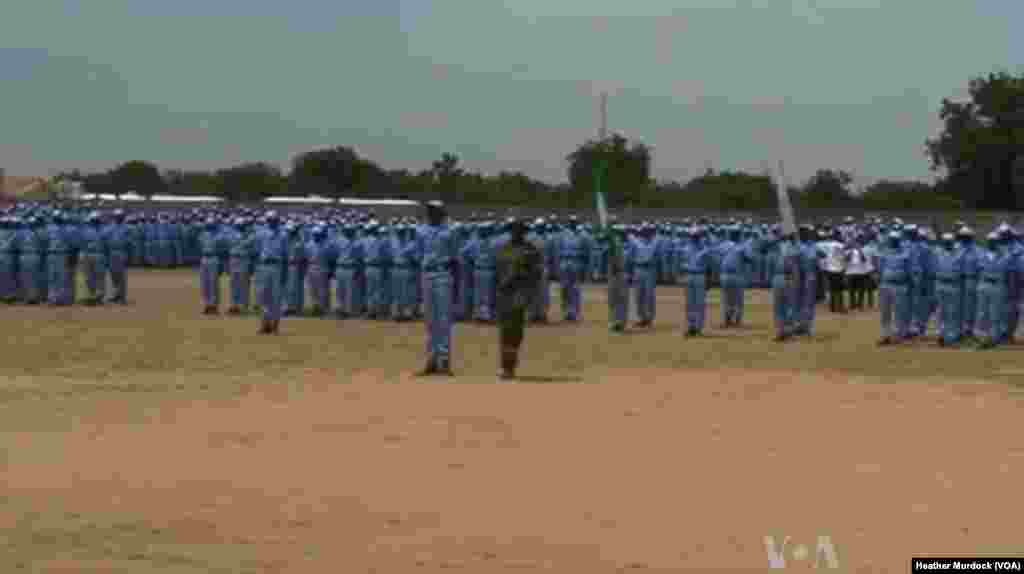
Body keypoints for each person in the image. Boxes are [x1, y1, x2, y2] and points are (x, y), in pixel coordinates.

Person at [494, 217, 543, 380]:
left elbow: (536, 273)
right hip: (504, 292)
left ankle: (510, 365)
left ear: (523, 232)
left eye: (519, 230)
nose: (515, 232)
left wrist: (521, 278)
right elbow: (498, 269)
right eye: (513, 229)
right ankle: (504, 365)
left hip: (519, 292)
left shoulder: (530, 250)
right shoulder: (504, 248)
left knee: (515, 329)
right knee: (504, 329)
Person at [417, 201, 457, 376]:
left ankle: (444, 360)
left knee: (444, 319)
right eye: (429, 211)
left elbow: (455, 256)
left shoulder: (450, 232)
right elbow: (419, 252)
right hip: (427, 274)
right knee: (430, 320)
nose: (430, 213)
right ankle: (431, 360)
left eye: (434, 211)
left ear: (441, 212)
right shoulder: (421, 231)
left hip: (443, 274)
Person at [256, 212, 288, 334]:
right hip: (264, 266)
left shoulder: (283, 234)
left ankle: (275, 325)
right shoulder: (261, 233)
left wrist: (284, 272)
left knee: (276, 296)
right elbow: (258, 250)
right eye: (270, 220)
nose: (272, 222)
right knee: (264, 296)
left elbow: (285, 255)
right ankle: (265, 324)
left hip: (277, 266)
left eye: (274, 220)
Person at [933, 232, 965, 347]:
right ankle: (941, 334)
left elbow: (962, 272)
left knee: (953, 312)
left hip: (954, 285)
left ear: (952, 243)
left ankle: (951, 337)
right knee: (941, 311)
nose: (947, 244)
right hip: (940, 284)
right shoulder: (937, 254)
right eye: (945, 242)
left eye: (949, 242)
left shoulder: (959, 255)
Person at [820, 230, 847, 313]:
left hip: (829, 269)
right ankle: (840, 307)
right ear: (837, 236)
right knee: (839, 290)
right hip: (838, 269)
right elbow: (844, 257)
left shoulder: (828, 245)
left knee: (832, 289)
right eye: (839, 235)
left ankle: (832, 307)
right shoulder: (841, 245)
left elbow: (823, 255)